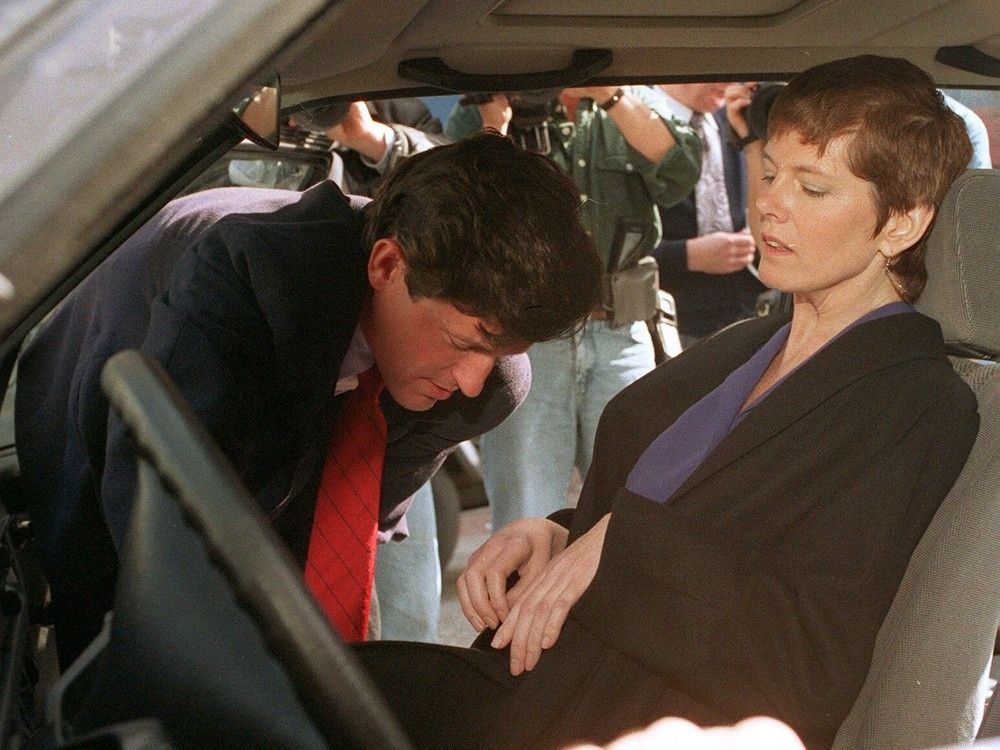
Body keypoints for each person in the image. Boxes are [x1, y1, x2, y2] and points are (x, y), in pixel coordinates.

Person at [351, 56, 980, 750]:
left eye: (814, 188)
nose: (771, 201)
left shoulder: (915, 402)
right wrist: (562, 537)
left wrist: (618, 547)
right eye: (770, 171)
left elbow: (808, 665)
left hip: (634, 725)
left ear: (902, 223)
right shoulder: (749, 343)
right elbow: (680, 508)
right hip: (537, 686)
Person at [14, 132, 603, 667]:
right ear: (387, 264)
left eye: (499, 353)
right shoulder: (246, 280)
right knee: (110, 626)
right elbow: (164, 528)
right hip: (92, 390)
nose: (473, 380)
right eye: (460, 341)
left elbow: (338, 525)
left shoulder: (489, 386)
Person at [448, 86, 702, 532]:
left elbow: (680, 173)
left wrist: (611, 97)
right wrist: (495, 129)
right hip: (530, 340)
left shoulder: (632, 103)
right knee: (526, 514)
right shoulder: (488, 103)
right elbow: (457, 209)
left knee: (636, 505)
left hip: (622, 331)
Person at [649, 83, 767, 347]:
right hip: (670, 323)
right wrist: (687, 255)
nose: (728, 81)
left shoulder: (737, 117)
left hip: (746, 315)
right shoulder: (633, 121)